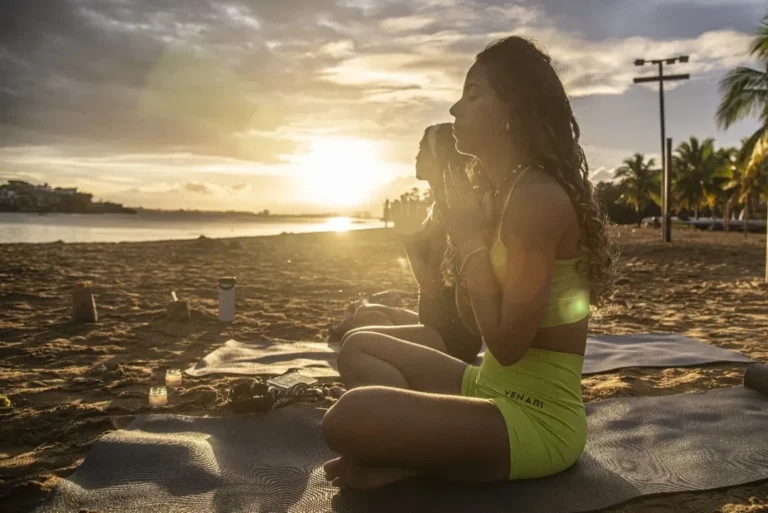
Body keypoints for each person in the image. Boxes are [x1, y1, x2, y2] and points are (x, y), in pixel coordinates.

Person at [322, 35, 614, 490]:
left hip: (537, 420)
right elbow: (470, 321)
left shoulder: (536, 198)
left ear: (514, 112)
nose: (455, 110)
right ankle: (426, 447)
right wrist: (456, 241)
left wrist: (473, 242)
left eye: (473, 95)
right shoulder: (502, 194)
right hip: (488, 389)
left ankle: (418, 455)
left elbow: (507, 345)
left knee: (348, 417)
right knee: (358, 344)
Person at [340, 123, 487, 364]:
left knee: (353, 340)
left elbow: (433, 286)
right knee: (367, 313)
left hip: (448, 340)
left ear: (439, 157)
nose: (417, 155)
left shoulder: (450, 210)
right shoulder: (439, 205)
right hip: (432, 325)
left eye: (423, 149)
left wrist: (407, 238)